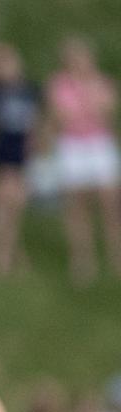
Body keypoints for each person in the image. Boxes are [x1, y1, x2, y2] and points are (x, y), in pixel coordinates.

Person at [46, 35, 121, 285]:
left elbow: (106, 110)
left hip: (99, 144)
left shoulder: (103, 82)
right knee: (77, 205)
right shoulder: (59, 84)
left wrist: (86, 101)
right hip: (73, 146)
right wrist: (88, 105)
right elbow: (63, 116)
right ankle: (83, 258)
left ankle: (116, 254)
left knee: (110, 202)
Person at [0, 42, 41, 278]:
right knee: (3, 204)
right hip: (3, 152)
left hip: (23, 153)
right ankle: (0, 253)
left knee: (17, 205)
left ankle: (10, 249)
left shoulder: (30, 89)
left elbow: (36, 120)